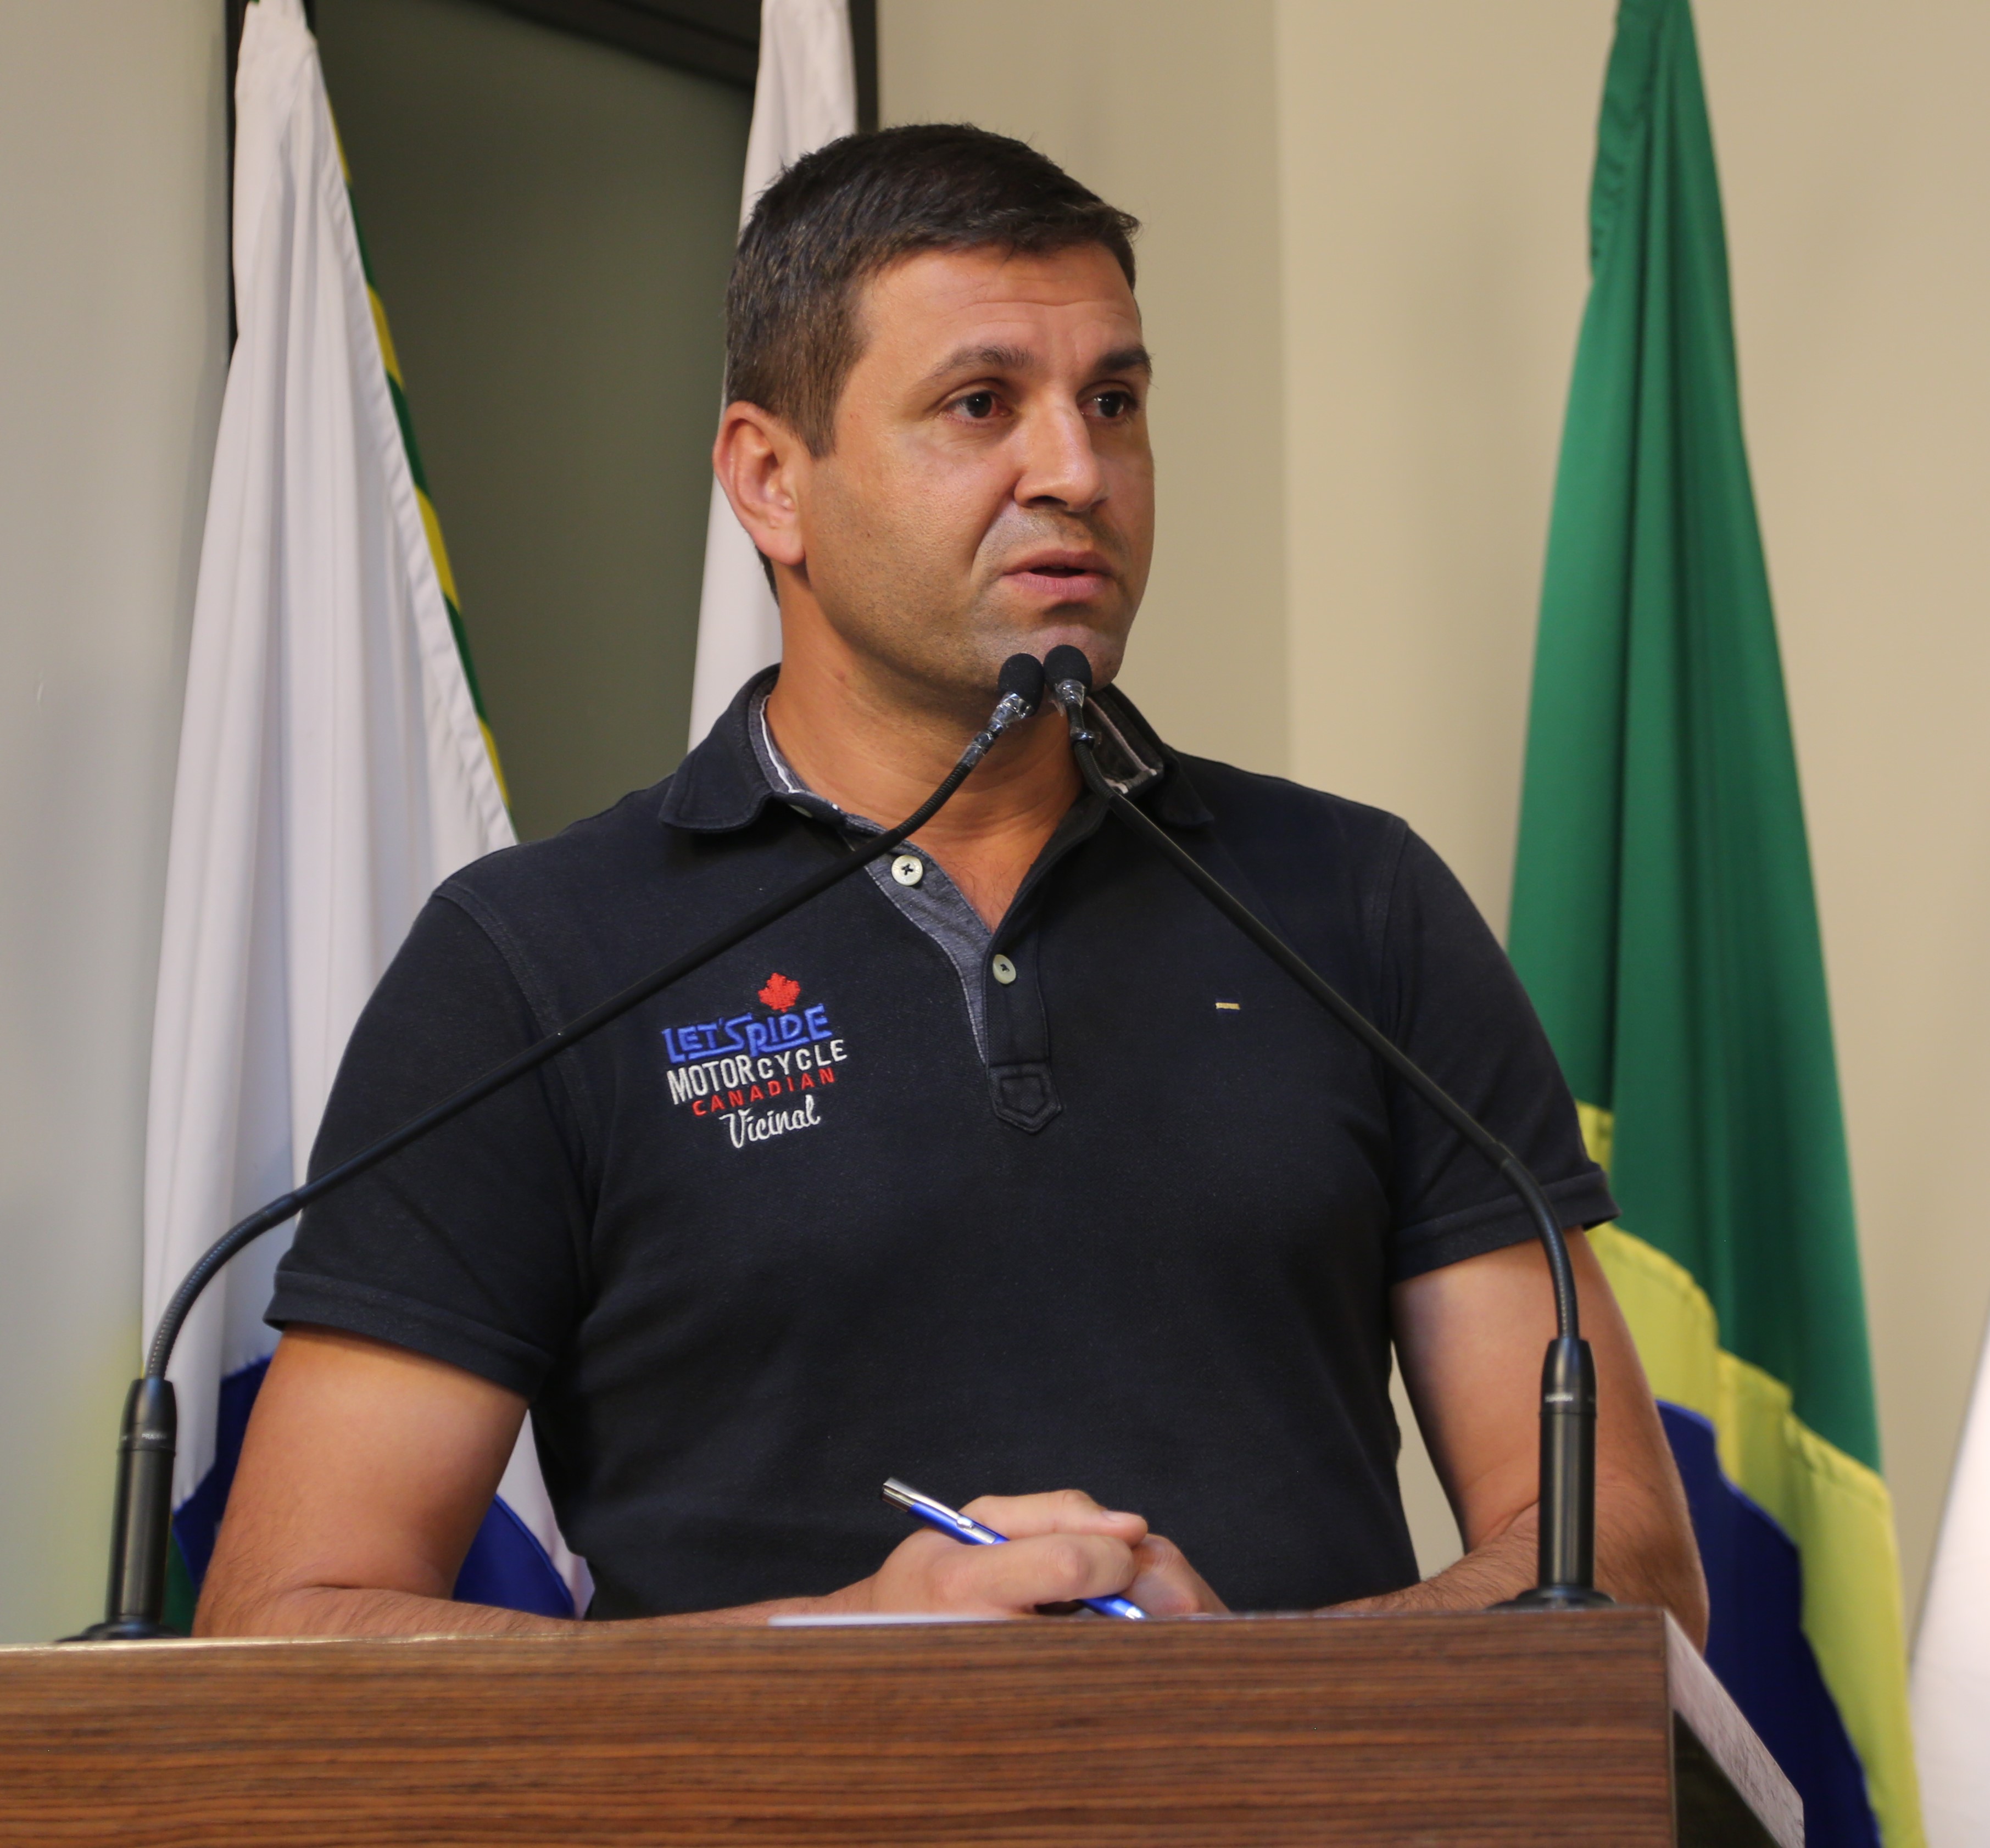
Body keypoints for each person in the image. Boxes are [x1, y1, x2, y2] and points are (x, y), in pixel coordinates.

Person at [198, 125, 1705, 1640]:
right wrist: (842, 1659)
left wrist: (1257, 1688)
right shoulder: (538, 960)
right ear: (771, 481)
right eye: (981, 404)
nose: (1078, 472)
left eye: (1114, 403)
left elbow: (1624, 1564)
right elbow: (290, 1623)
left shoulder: (1354, 906)